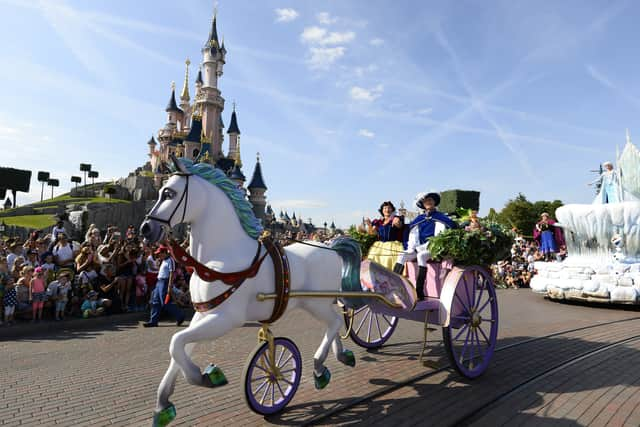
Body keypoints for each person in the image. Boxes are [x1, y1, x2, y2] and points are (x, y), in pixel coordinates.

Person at [394, 192, 457, 300]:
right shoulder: (419, 219)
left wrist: (425, 247)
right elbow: (412, 235)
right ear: (423, 204)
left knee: (421, 256)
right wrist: (411, 248)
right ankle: (394, 286)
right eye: (426, 201)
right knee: (402, 255)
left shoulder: (441, 217)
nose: (428, 202)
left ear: (434, 202)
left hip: (434, 249)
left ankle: (419, 292)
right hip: (418, 248)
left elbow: (440, 237)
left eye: (430, 200)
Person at [143, 245, 185, 327]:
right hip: (159, 282)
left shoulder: (170, 260)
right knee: (155, 302)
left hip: (165, 282)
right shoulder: (164, 261)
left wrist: (169, 286)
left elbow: (172, 273)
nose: (159, 255)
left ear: (165, 253)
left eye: (160, 253)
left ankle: (180, 316)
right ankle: (153, 321)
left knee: (165, 303)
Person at [365, 201, 407, 271]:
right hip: (379, 246)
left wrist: (398, 221)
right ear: (382, 210)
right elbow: (373, 233)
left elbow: (400, 225)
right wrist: (369, 225)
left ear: (392, 210)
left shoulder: (396, 218)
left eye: (389, 208)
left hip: (393, 245)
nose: (387, 210)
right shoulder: (378, 222)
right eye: (385, 208)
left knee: (387, 259)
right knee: (372, 258)